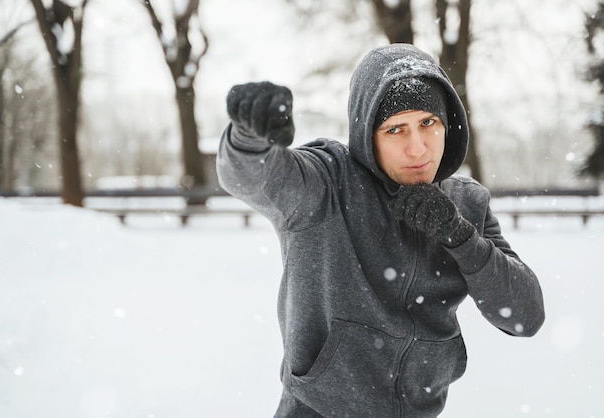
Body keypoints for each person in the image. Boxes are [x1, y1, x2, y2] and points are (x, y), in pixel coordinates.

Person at [216, 43, 545, 418]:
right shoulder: (326, 184)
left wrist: (460, 237)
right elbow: (252, 178)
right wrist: (248, 138)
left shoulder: (467, 204)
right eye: (395, 129)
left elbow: (525, 316)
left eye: (428, 123)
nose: (417, 148)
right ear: (367, 134)